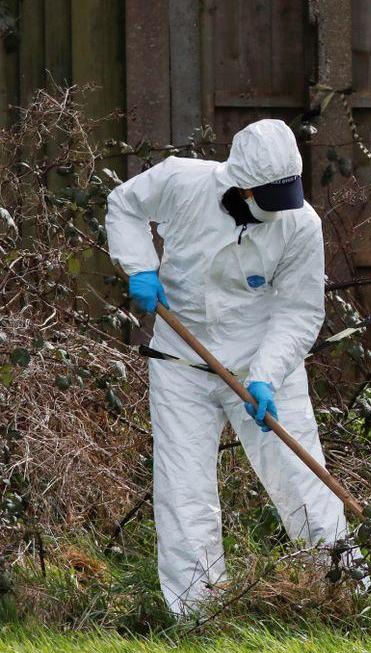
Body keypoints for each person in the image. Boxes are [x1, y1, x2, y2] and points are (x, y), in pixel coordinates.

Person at [105, 119, 348, 615]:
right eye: (271, 195)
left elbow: (300, 310)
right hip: (181, 361)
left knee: (302, 477)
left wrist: (266, 374)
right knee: (184, 486)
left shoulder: (301, 224)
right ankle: (198, 610)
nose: (283, 206)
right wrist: (140, 266)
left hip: (259, 363)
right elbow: (124, 205)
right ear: (242, 183)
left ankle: (344, 589)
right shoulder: (181, 182)